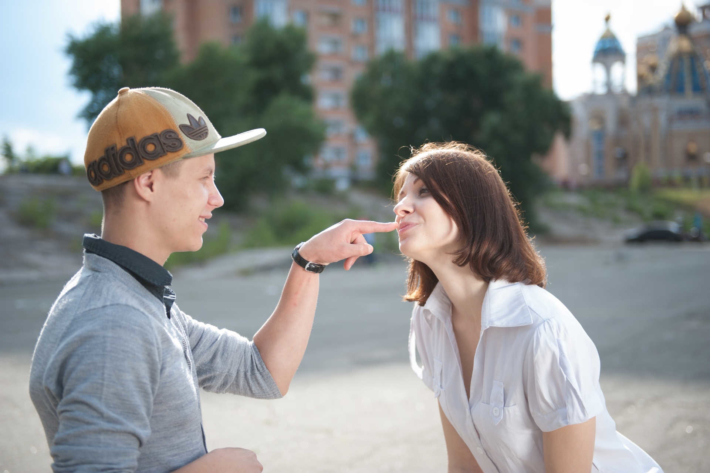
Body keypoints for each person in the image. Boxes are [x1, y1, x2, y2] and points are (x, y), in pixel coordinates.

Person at [28, 87, 397, 472]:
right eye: (205, 178)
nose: (217, 198)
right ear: (149, 183)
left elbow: (263, 371)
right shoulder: (114, 323)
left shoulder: (136, 297)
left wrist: (309, 260)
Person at [396, 143, 663, 473]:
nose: (401, 207)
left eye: (422, 192)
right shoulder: (429, 321)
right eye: (400, 196)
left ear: (472, 208)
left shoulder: (543, 329)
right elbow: (465, 464)